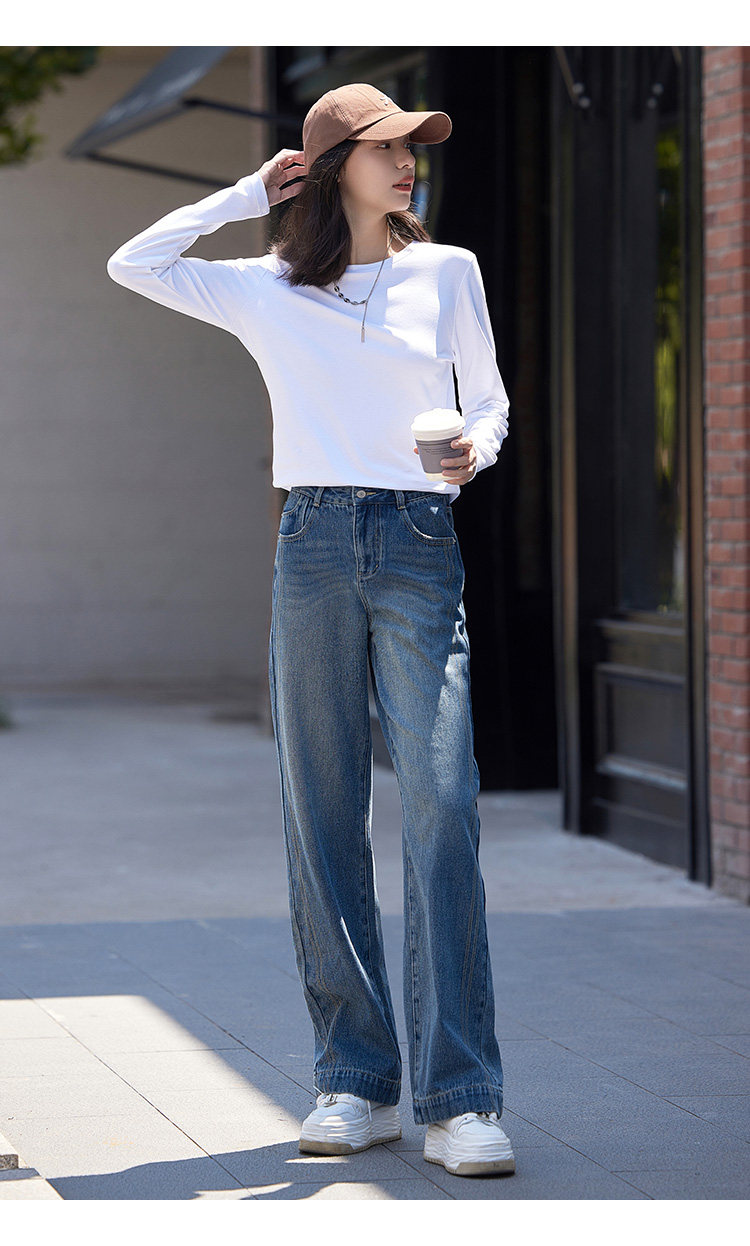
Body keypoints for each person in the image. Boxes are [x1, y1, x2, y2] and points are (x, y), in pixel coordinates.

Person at [106, 82, 514, 1179]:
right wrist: (251, 193)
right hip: (314, 544)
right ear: (331, 170)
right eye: (385, 148)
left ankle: (463, 1097)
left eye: (414, 146)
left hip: (419, 540)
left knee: (441, 805)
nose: (408, 161)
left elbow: (489, 402)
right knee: (322, 813)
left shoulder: (448, 271)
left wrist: (473, 451)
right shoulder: (269, 286)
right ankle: (357, 1081)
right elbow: (134, 263)